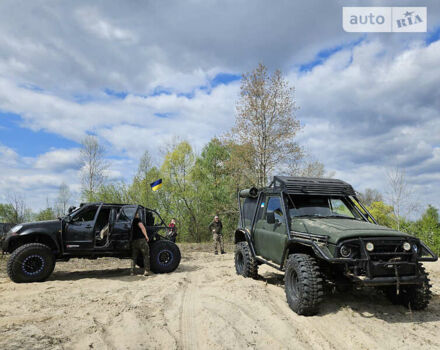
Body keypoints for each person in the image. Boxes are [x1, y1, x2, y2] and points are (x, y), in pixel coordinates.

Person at [131, 211, 151, 276]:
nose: (138, 215)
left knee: (134, 257)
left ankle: (132, 271)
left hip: (134, 241)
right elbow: (142, 227)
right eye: (137, 214)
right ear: (136, 214)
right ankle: (146, 271)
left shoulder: (130, 221)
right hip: (141, 240)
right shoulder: (137, 220)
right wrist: (146, 236)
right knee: (146, 255)